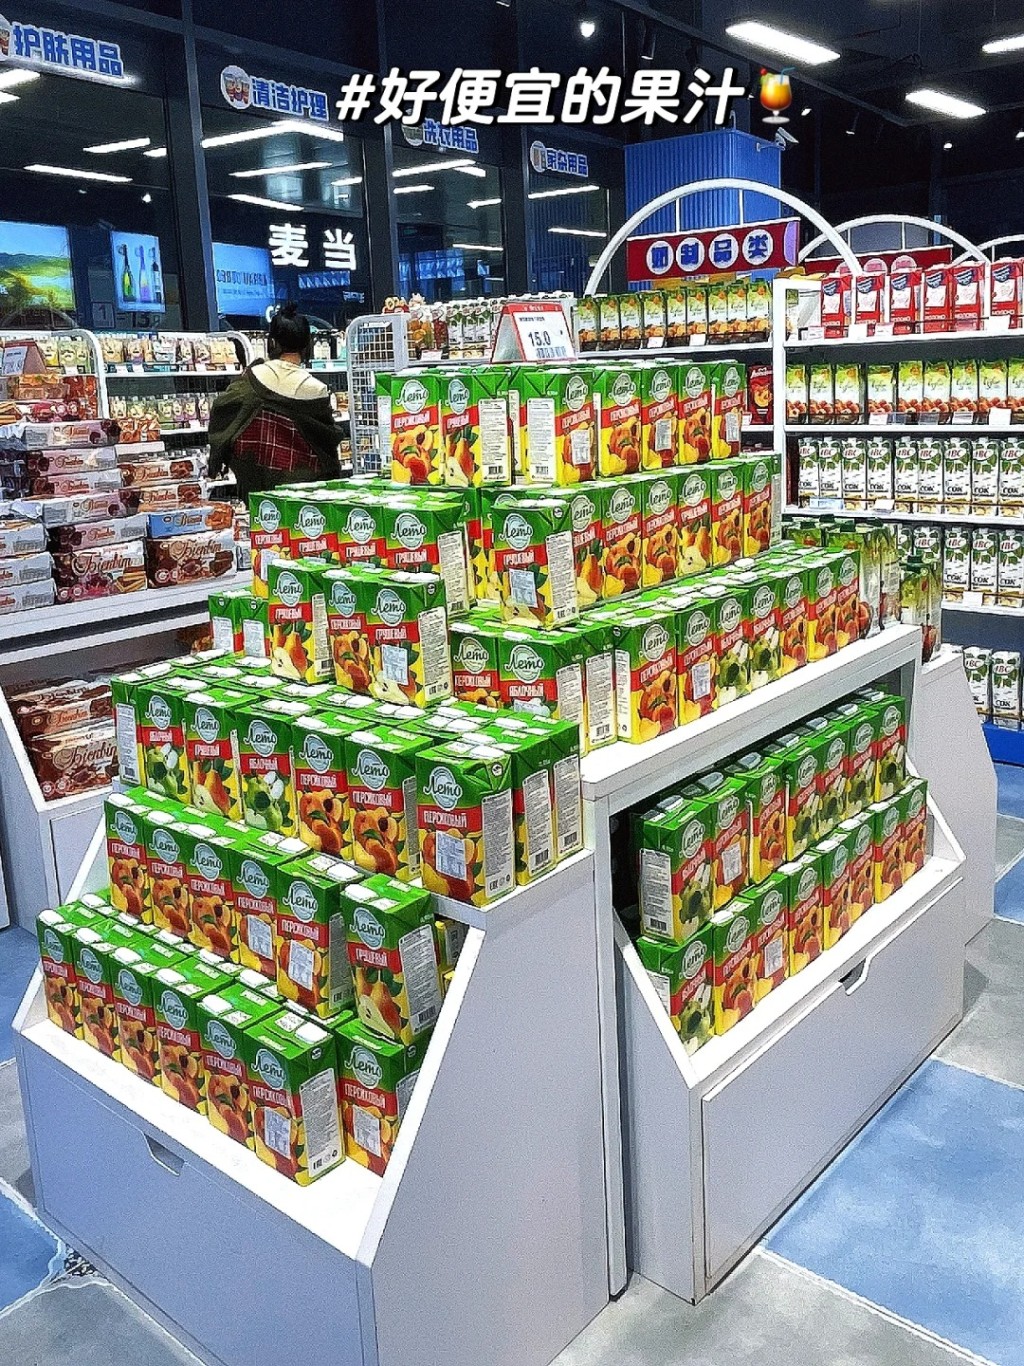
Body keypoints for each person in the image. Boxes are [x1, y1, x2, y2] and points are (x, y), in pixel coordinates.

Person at [209, 303, 340, 502]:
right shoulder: (316, 389)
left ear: (272, 342)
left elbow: (223, 414)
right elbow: (326, 447)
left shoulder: (250, 379)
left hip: (256, 487)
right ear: (307, 344)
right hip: (304, 496)